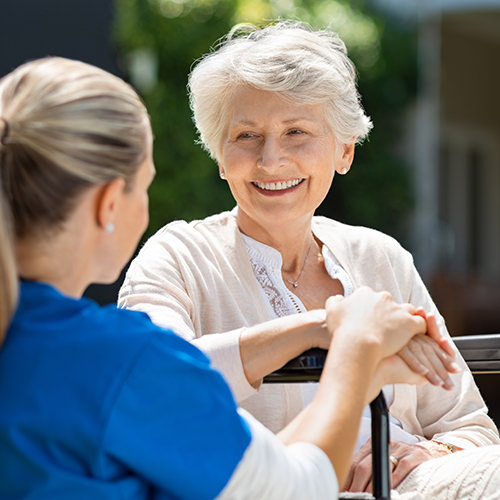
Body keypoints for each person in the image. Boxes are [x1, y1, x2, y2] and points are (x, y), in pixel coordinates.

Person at [0, 56, 446, 499]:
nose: (271, 159)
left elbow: (256, 483)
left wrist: (337, 345)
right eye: (146, 184)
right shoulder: (122, 359)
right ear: (109, 204)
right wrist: (355, 344)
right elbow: (297, 490)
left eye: (295, 132)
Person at [118, 20, 500, 495]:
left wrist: (428, 453)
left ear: (344, 151)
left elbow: (470, 426)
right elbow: (154, 384)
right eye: (246, 136)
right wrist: (325, 328)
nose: (271, 160)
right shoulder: (177, 256)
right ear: (220, 156)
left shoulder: (381, 257)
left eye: (296, 131)